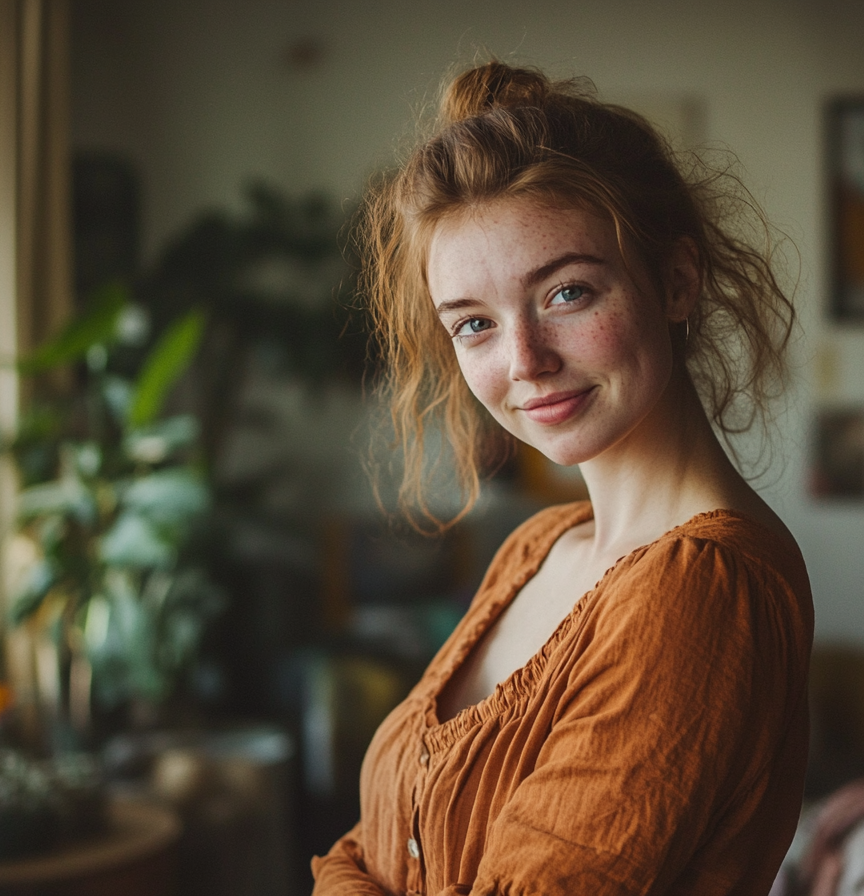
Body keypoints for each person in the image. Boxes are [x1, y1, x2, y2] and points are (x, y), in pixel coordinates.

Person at [312, 60, 813, 896]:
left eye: (568, 292)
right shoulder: (538, 547)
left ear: (676, 282)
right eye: (473, 324)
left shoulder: (701, 587)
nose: (525, 363)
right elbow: (361, 845)